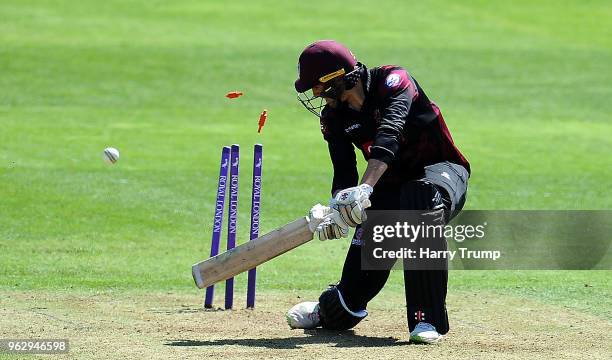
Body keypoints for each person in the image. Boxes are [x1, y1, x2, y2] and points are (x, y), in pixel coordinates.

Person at [285, 40, 471, 344]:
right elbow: (343, 173)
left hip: (440, 173)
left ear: (338, 77)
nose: (315, 95)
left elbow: (390, 135)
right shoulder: (334, 118)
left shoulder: (393, 81)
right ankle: (328, 308)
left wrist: (366, 188)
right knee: (345, 306)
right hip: (388, 186)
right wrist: (339, 211)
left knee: (418, 198)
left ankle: (427, 320)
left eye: (317, 87)